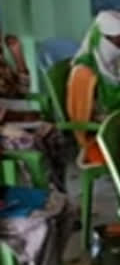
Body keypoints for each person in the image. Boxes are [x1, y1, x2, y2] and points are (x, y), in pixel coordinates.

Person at [0, 33, 69, 192]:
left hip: (14, 116)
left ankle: (59, 192)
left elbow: (21, 91)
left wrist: (18, 56)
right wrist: (23, 116)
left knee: (54, 134)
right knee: (31, 143)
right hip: (4, 126)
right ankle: (42, 195)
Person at [67, 10, 120, 165]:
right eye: (119, 43)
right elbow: (81, 117)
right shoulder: (84, 73)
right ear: (101, 39)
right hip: (99, 135)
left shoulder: (115, 62)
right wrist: (115, 120)